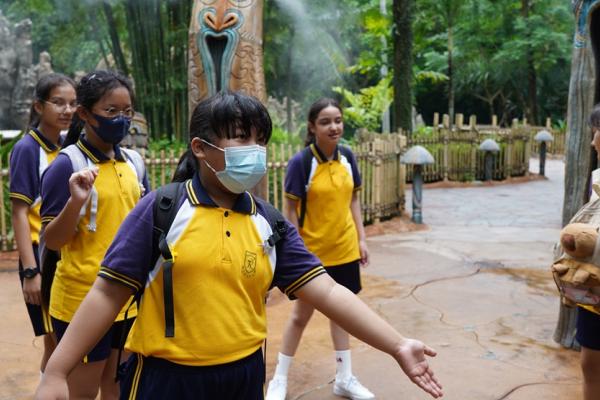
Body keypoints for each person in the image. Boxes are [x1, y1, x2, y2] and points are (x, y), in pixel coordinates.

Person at [34, 91, 443, 400]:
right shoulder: (162, 210)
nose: (255, 151)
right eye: (241, 138)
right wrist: (56, 370)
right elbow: (107, 294)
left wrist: (397, 344)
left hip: (245, 375)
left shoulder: (269, 223)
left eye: (260, 140)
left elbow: (328, 291)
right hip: (167, 379)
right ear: (200, 148)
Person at [38, 70, 149, 400]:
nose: (121, 119)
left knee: (117, 389)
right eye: (111, 111)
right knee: (82, 393)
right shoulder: (67, 164)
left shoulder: (134, 163)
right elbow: (53, 241)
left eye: (127, 111)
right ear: (84, 114)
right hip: (80, 301)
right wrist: (75, 202)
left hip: (127, 299)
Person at [266, 98, 374, 400]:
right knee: (300, 316)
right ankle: (279, 379)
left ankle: (344, 377)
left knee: (343, 316)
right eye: (325, 122)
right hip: (312, 257)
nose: (334, 127)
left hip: (345, 250)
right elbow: (290, 209)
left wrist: (362, 239)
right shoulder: (301, 163)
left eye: (338, 120)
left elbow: (354, 200)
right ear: (312, 127)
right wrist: (292, 251)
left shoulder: (347, 157)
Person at [10, 73, 77, 376]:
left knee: (64, 343)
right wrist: (30, 271)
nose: (67, 110)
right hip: (42, 256)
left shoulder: (66, 146)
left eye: (73, 104)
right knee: (57, 344)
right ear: (39, 106)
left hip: (64, 255)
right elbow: (20, 213)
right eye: (58, 103)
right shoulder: (28, 148)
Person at [577, 104, 600, 400]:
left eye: (597, 132)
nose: (593, 141)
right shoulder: (597, 179)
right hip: (594, 286)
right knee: (590, 363)